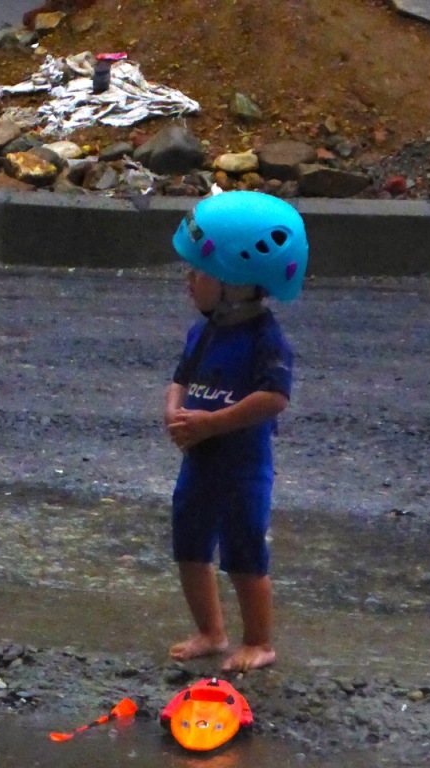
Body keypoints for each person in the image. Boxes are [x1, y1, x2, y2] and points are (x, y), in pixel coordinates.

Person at [164, 190, 308, 673]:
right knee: (189, 544)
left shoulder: (266, 340)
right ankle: (211, 630)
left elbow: (273, 399)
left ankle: (260, 641)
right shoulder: (203, 332)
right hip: (199, 461)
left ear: (237, 284)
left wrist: (211, 424)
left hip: (242, 468)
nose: (189, 282)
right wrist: (175, 412)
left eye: (199, 272)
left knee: (244, 552)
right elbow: (181, 379)